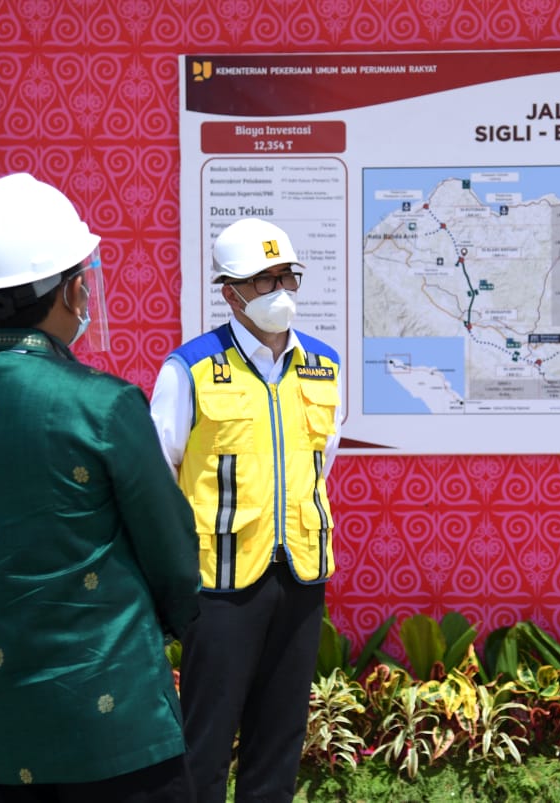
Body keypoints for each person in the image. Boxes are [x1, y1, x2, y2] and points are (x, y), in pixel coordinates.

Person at [0, 172, 201, 803]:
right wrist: (176, 626)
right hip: (116, 727)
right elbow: (173, 558)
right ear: (71, 289)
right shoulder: (106, 407)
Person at [150, 216, 342, 802]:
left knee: (279, 740)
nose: (279, 291)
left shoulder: (324, 365)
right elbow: (161, 472)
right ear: (229, 292)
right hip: (221, 582)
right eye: (263, 281)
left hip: (301, 574)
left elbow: (321, 462)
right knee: (205, 742)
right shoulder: (191, 369)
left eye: (288, 276)